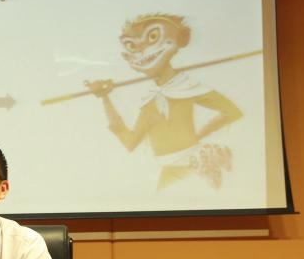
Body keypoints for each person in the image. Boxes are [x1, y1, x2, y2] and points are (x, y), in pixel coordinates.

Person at [86, 13, 242, 190]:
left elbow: (232, 112)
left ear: (181, 39)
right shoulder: (150, 102)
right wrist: (104, 98)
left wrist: (198, 139)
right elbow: (130, 142)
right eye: (131, 45)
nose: (142, 50)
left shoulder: (187, 87)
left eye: (153, 36)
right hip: (171, 172)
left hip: (192, 169)